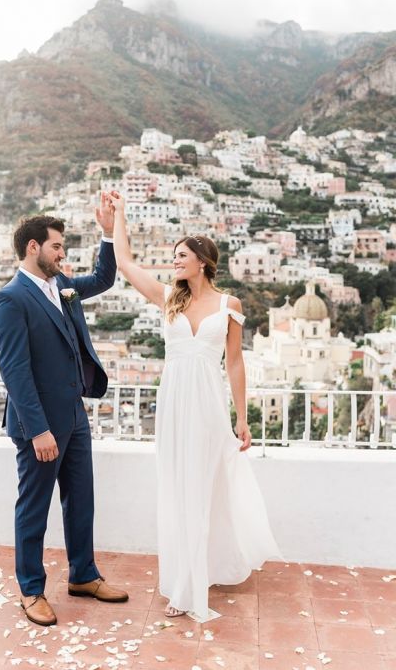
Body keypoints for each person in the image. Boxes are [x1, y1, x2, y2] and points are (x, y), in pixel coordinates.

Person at [109, 192, 280, 621]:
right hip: (173, 404)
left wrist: (243, 419)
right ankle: (184, 581)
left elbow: (236, 364)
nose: (174, 262)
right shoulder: (170, 298)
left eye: (181, 256)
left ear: (202, 260)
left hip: (207, 406)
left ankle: (209, 566)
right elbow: (126, 264)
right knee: (177, 487)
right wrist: (120, 217)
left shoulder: (230, 306)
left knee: (204, 487)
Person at [0, 198, 129, 627]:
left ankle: (83, 575)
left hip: (74, 416)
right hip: (41, 427)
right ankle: (31, 590)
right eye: (57, 247)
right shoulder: (10, 299)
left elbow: (105, 277)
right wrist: (38, 431)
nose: (62, 253)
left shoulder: (64, 285)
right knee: (33, 508)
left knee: (80, 500)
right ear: (33, 247)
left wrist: (109, 232)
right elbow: (14, 371)